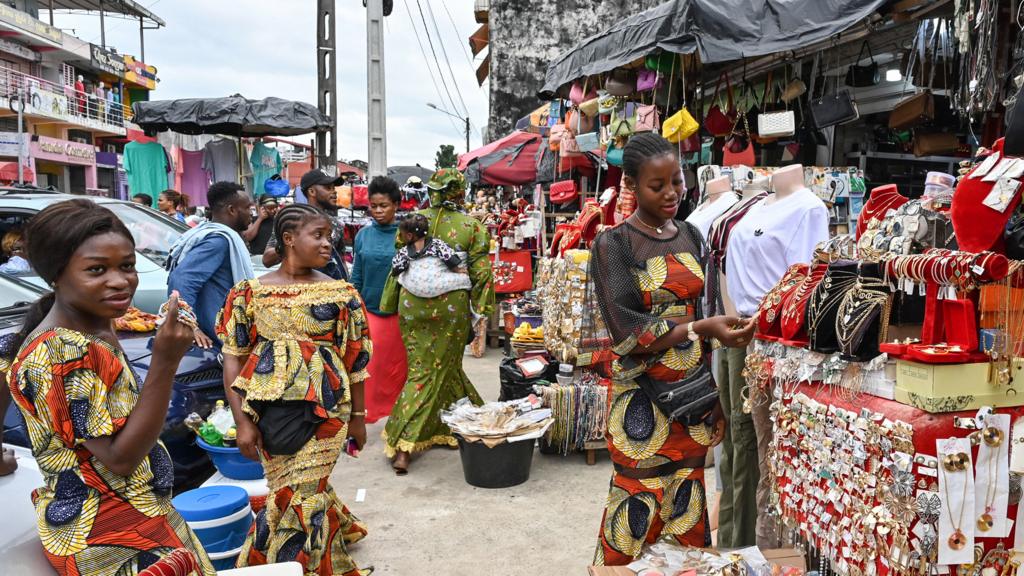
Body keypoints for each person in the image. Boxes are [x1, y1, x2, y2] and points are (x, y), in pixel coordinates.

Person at [3, 199, 215, 574]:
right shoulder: (60, 353)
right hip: (113, 538)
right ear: (56, 274)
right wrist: (165, 360)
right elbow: (119, 458)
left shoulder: (92, 327)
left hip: (137, 518)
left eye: (127, 266)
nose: (120, 281)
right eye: (97, 269)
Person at [588, 133, 755, 566]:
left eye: (677, 182)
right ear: (631, 185)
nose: (671, 194)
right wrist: (698, 328)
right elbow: (626, 329)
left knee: (687, 493)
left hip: (690, 394)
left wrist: (712, 398)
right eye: (656, 185)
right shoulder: (615, 245)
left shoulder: (692, 236)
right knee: (637, 498)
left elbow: (703, 318)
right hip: (641, 399)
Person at [217, 203, 371, 576]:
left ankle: (290, 565)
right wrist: (242, 422)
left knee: (303, 491)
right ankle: (328, 536)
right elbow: (234, 360)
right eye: (317, 236)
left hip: (329, 408)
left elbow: (356, 361)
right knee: (289, 487)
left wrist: (360, 418)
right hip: (268, 409)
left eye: (328, 237)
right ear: (288, 239)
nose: (326, 245)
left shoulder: (341, 293)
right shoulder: (248, 293)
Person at [379, 168, 494, 475]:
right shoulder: (471, 226)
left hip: (411, 305)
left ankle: (455, 425)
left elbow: (396, 264)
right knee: (431, 371)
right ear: (459, 193)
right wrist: (482, 309)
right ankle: (405, 442)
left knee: (432, 366)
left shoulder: (411, 222)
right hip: (451, 307)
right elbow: (481, 272)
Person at [166, 182, 255, 349]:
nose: (251, 213)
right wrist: (189, 326)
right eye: (248, 208)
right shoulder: (218, 241)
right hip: (217, 341)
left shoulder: (217, 235)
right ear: (232, 210)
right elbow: (181, 279)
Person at [350, 176, 407, 424]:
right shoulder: (363, 235)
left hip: (402, 314)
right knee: (370, 369)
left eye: (384, 205)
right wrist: (353, 308)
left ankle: (400, 419)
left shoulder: (406, 235)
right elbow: (357, 274)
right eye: (373, 206)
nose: (378, 211)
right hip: (370, 312)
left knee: (398, 370)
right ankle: (367, 416)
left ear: (396, 205)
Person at [263, 169, 349, 280]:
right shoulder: (293, 220)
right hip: (297, 291)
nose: (334, 192)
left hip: (328, 292)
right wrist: (293, 244)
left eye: (334, 188)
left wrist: (346, 287)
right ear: (312, 192)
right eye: (328, 188)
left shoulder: (336, 225)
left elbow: (341, 261)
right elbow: (267, 260)